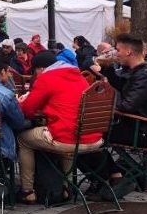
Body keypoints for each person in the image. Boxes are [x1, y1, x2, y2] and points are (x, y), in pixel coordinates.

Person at [16, 51, 103, 204]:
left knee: (23, 139)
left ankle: (27, 191)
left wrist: (21, 101)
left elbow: (27, 110)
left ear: (40, 69)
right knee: (68, 131)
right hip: (92, 137)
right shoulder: (78, 76)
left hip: (67, 139)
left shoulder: (46, 78)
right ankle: (66, 187)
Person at [87, 33, 147, 198]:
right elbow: (122, 86)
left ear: (128, 52)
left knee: (87, 135)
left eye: (118, 49)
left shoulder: (145, 75)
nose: (116, 53)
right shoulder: (140, 70)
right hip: (136, 125)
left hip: (143, 130)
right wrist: (106, 68)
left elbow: (127, 106)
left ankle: (109, 177)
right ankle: (114, 176)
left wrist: (99, 106)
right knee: (88, 133)